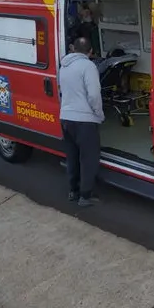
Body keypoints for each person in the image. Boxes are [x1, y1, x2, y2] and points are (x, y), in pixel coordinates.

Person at [57, 37, 105, 206]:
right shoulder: (89, 66)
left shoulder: (64, 66)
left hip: (65, 118)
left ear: (73, 49)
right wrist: (99, 115)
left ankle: (73, 191)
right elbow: (93, 95)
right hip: (84, 120)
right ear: (90, 51)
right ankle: (85, 196)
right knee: (88, 159)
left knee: (72, 157)